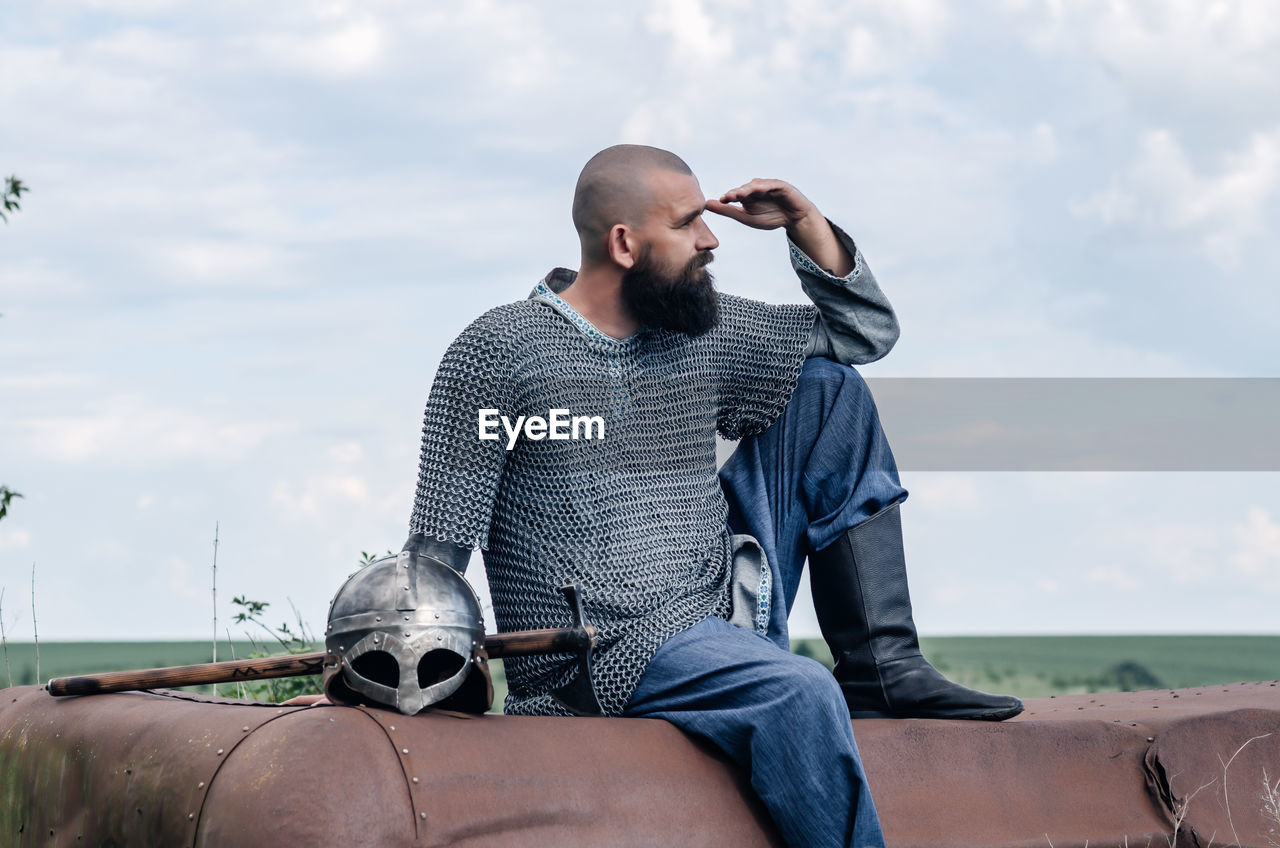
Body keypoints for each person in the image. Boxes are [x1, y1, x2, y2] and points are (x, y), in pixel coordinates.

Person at [403, 144, 1022, 848]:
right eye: (690, 223)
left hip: (717, 601)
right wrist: (394, 664)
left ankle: (883, 665)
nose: (711, 238)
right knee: (800, 692)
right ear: (625, 243)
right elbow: (438, 546)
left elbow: (864, 334)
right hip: (601, 650)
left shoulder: (702, 332)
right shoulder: (500, 353)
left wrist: (805, 223)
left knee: (829, 390)